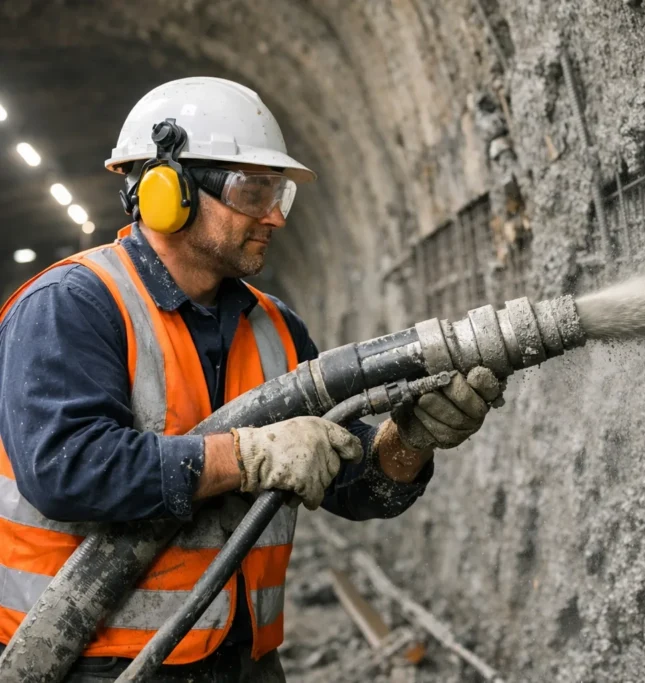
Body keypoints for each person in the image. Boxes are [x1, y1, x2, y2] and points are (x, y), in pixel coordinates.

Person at [0, 77, 502, 682]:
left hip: (246, 663)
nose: (274, 216)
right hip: (94, 664)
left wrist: (410, 440)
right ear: (169, 191)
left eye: (279, 194)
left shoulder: (275, 327)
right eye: (253, 190)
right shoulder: (74, 305)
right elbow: (66, 468)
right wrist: (246, 456)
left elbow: (351, 481)